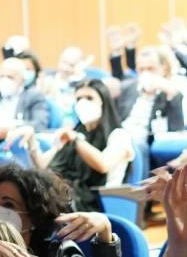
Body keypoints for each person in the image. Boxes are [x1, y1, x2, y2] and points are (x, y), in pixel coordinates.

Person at [44, 79, 130, 211]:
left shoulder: (119, 135)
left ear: (103, 102)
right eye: (79, 99)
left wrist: (76, 140)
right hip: (70, 194)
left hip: (98, 201)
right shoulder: (76, 132)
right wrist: (31, 143)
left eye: (89, 98)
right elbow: (45, 167)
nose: (83, 103)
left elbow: (103, 164)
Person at [0, 56, 53, 152]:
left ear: (22, 79)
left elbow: (39, 124)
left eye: (10, 77)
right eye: (2, 76)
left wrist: (13, 129)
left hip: (12, 140)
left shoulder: (33, 96)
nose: (5, 81)